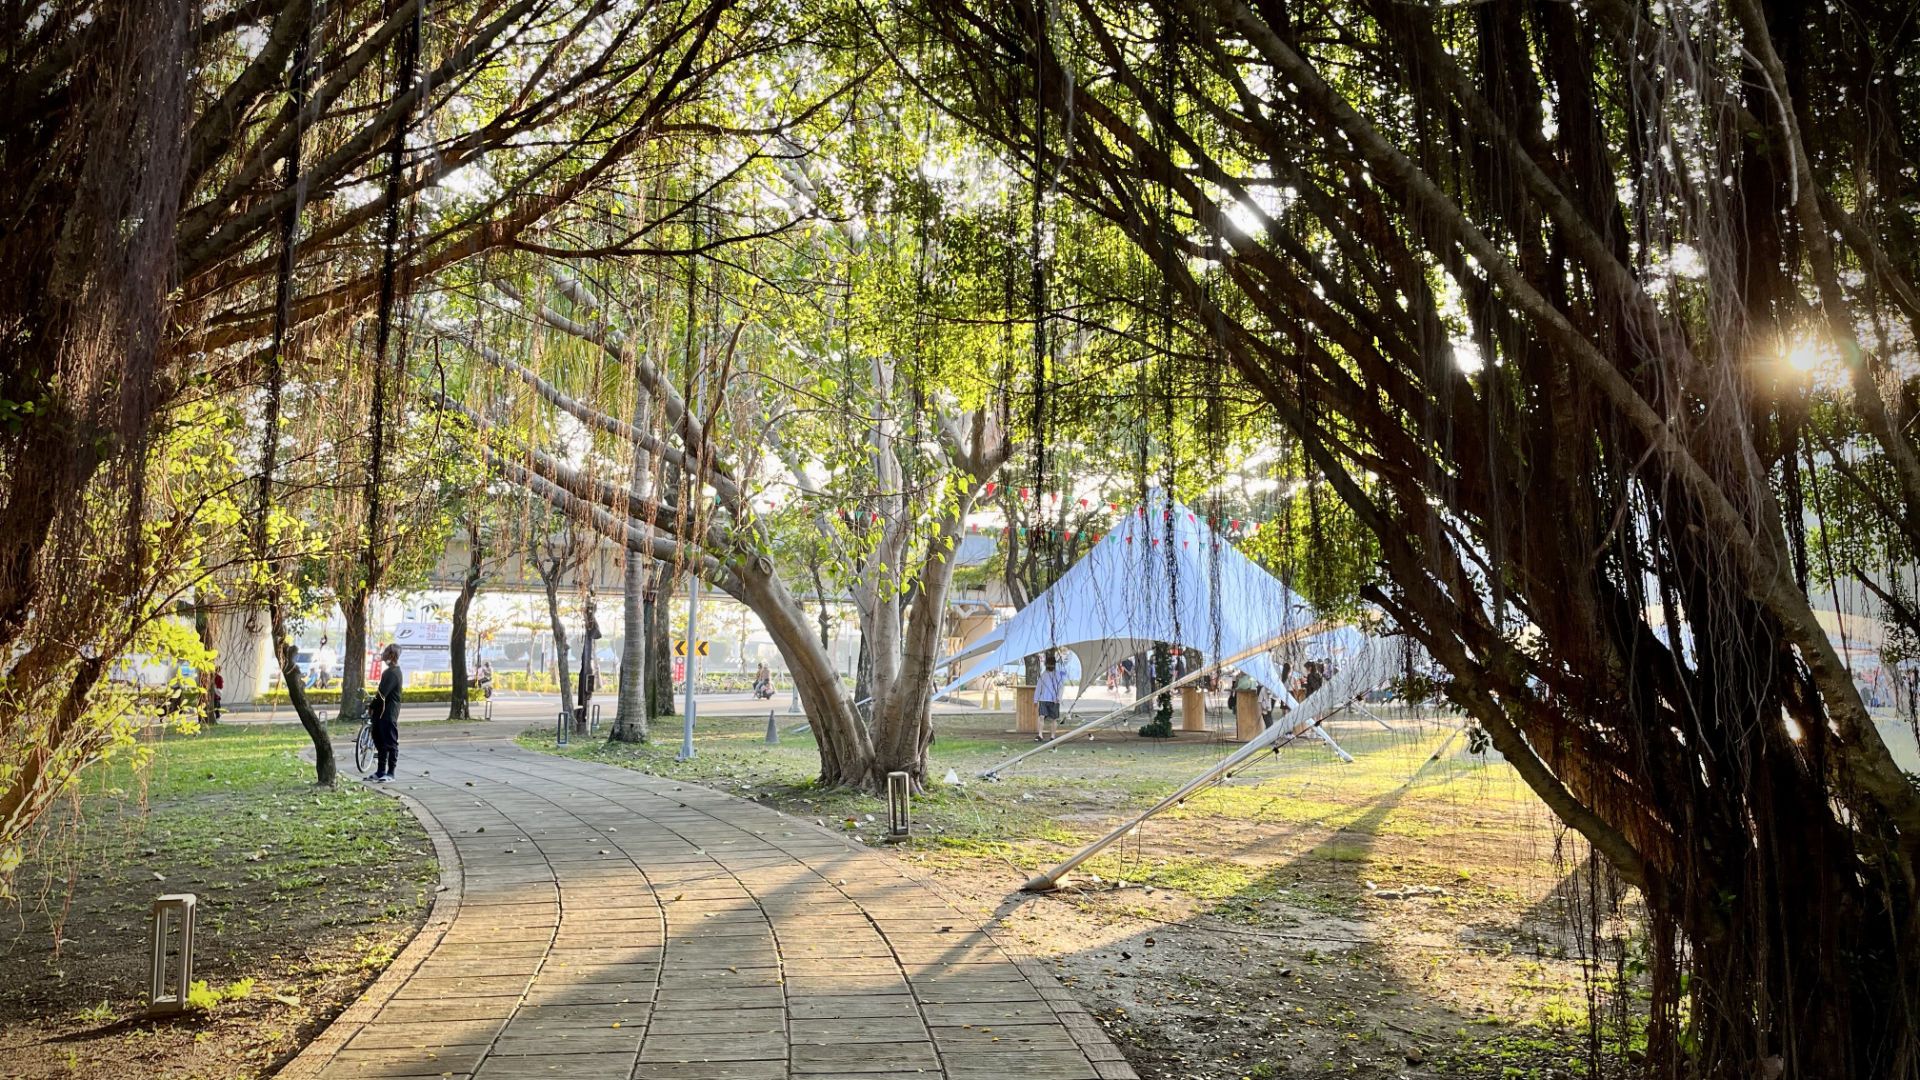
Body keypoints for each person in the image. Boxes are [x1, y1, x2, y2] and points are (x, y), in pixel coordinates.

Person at [367, 644, 403, 782]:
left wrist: (372, 706)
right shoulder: (389, 672)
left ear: (392, 655)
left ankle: (391, 773)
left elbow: (382, 694)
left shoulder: (393, 673)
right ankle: (380, 771)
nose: (383, 653)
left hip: (388, 713)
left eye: (386, 651)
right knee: (379, 741)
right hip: (380, 713)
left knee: (390, 742)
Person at [1034, 653, 1066, 742]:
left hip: (1055, 700)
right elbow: (1038, 687)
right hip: (1043, 699)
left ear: (1054, 665)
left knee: (1054, 718)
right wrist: (1036, 699)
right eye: (1048, 664)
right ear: (1046, 664)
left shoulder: (1058, 674)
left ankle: (1052, 736)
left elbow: (1061, 687)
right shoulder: (1043, 674)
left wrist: (1059, 698)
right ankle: (1040, 735)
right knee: (1041, 716)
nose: (1050, 666)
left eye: (1051, 664)